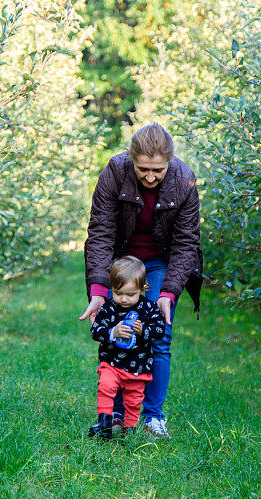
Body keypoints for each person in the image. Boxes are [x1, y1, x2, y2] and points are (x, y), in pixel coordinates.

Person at [79, 123, 202, 439]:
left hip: (160, 261)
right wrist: (98, 290)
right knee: (115, 331)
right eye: (143, 169)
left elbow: (186, 242)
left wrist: (169, 293)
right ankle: (117, 413)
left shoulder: (185, 180)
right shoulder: (115, 172)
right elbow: (101, 231)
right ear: (130, 160)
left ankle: (153, 416)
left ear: (170, 163)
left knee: (159, 334)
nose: (150, 177)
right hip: (121, 259)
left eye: (157, 170)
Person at [88, 256, 166, 439]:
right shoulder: (108, 308)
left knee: (133, 399)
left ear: (143, 288)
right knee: (105, 386)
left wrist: (143, 331)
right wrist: (112, 332)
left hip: (138, 365)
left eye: (130, 294)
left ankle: (129, 430)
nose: (123, 299)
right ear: (111, 288)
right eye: (118, 293)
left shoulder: (149, 308)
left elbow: (160, 330)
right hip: (112, 362)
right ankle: (105, 422)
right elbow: (95, 332)